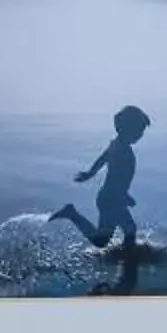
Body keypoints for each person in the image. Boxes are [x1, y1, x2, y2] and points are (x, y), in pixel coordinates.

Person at [53, 104, 150, 255]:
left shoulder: (117, 145)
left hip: (112, 196)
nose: (141, 135)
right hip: (111, 200)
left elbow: (104, 160)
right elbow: (117, 177)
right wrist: (124, 196)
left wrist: (90, 173)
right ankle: (72, 214)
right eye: (139, 131)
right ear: (127, 129)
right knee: (102, 240)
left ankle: (128, 254)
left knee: (129, 229)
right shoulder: (122, 151)